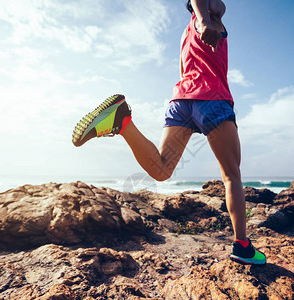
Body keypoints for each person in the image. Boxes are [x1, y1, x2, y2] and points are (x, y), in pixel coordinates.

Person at [72, 0, 266, 265]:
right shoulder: (210, 19)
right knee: (232, 175)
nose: (223, 3)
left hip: (181, 101)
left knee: (161, 171)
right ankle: (243, 247)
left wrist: (201, 21)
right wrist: (207, 21)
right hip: (213, 100)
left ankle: (123, 122)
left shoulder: (187, 32)